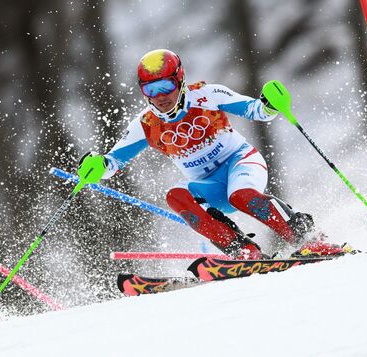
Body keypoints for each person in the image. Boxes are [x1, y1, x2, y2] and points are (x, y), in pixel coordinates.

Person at [78, 49, 347, 260]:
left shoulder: (207, 95)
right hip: (208, 186)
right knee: (175, 195)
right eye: (151, 90)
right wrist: (97, 166)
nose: (160, 96)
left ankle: (310, 239)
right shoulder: (146, 124)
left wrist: (271, 102)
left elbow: (257, 111)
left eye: (166, 86)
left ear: (180, 80)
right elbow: (112, 162)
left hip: (240, 162)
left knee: (240, 195)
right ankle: (243, 252)